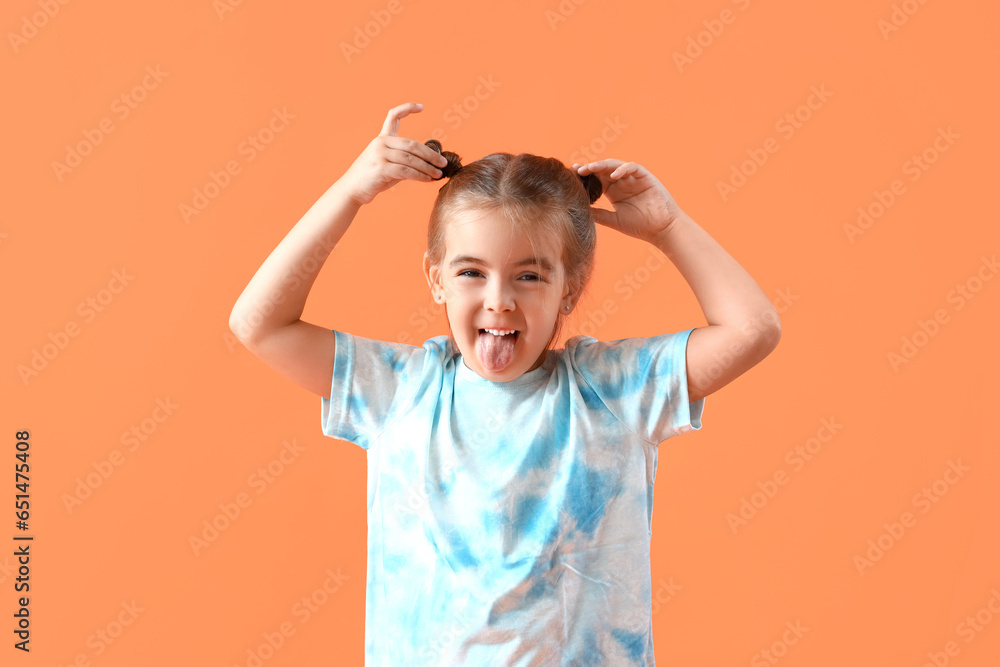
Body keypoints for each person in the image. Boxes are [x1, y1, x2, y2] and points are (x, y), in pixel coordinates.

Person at [229, 102, 782, 665]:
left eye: (530, 275)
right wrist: (351, 192)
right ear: (436, 279)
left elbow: (753, 329)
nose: (499, 299)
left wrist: (669, 229)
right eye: (471, 272)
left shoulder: (614, 393)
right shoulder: (400, 391)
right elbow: (259, 324)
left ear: (571, 287)